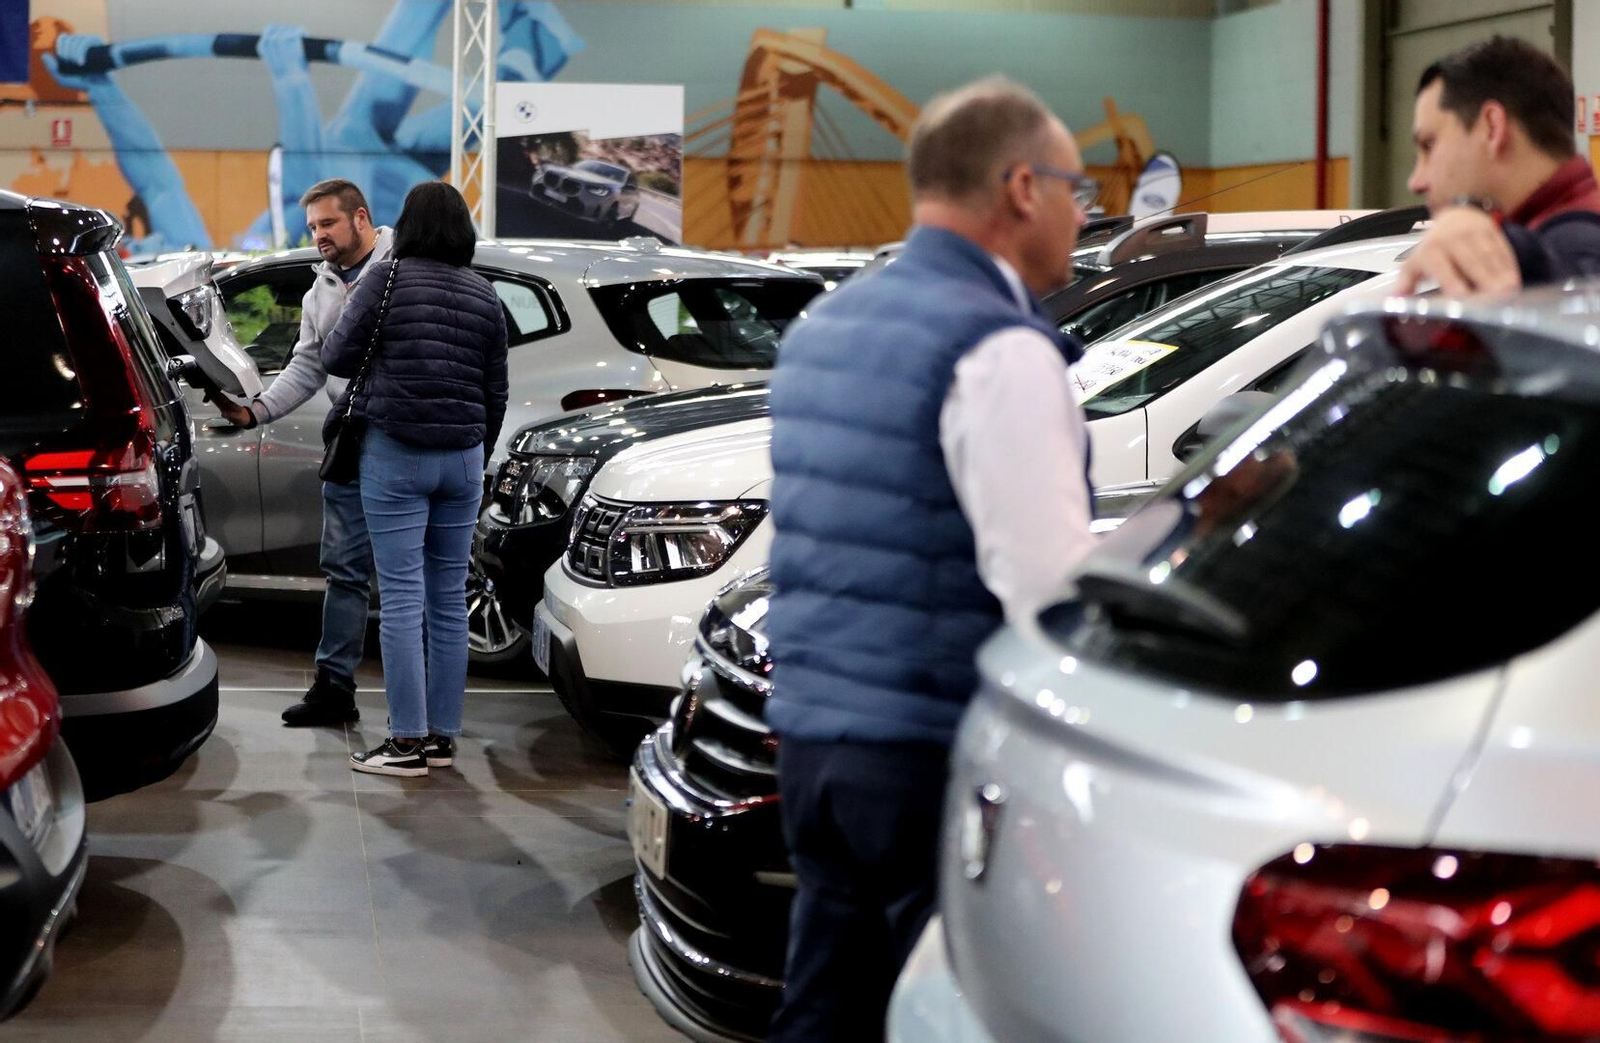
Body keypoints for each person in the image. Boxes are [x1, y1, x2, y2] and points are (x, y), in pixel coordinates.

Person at [762, 76, 1099, 1040]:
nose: (1084, 214)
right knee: (949, 1017)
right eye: (1078, 189)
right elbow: (1047, 587)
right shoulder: (997, 346)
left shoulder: (827, 325)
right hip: (927, 753)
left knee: (826, 1006)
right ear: (1023, 187)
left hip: (817, 744)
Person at [321, 181, 507, 777]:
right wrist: (478, 453)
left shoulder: (387, 278)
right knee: (449, 599)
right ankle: (443, 737)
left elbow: (336, 356)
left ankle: (404, 744)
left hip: (396, 453)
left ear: (407, 225)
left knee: (401, 599)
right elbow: (494, 392)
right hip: (463, 459)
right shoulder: (485, 294)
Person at [212, 178, 394, 727]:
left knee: (415, 577)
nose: (319, 236)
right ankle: (335, 690)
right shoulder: (321, 289)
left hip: (404, 440)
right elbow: (309, 366)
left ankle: (425, 714)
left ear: (361, 219)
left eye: (328, 224)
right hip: (351, 442)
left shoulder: (403, 270)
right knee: (344, 569)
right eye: (313, 226)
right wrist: (256, 411)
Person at [1397, 35, 1600, 297]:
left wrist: (1513, 248)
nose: (1416, 181)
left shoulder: (1576, 243)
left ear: (1492, 127)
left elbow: (1572, 276)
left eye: (1428, 145)